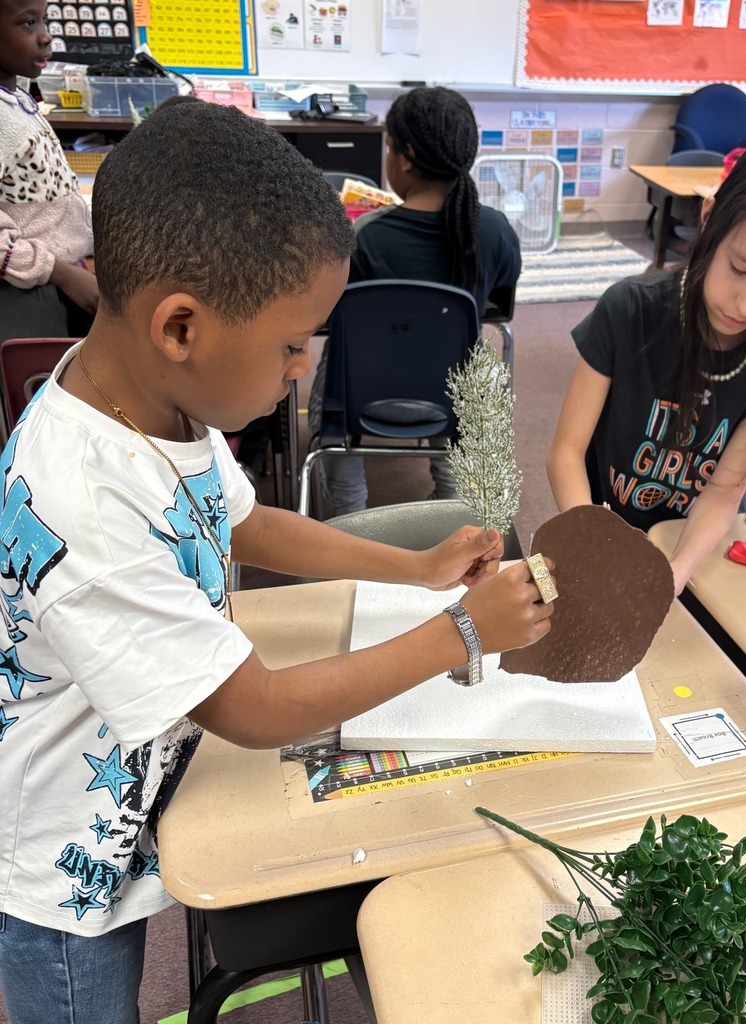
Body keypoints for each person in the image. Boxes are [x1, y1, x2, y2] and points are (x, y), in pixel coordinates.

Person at [0, 98, 553, 1024]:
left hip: (133, 791)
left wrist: (412, 572)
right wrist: (460, 631)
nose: (303, 368)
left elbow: (247, 523)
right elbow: (253, 709)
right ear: (182, 327)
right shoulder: (81, 497)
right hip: (64, 868)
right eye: (292, 344)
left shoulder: (158, 400)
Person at [546, 132, 746, 596]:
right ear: (710, 217)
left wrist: (673, 577)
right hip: (602, 522)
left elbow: (723, 493)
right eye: (740, 269)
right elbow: (566, 453)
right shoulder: (629, 311)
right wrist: (592, 544)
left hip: (700, 544)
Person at [307, 85, 522, 515]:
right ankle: (449, 504)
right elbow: (497, 304)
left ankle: (351, 519)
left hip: (359, 393)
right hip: (451, 392)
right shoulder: (496, 232)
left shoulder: (365, 235)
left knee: (335, 365)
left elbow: (327, 311)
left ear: (405, 156)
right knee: (472, 354)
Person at [0, 0, 97, 343]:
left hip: (57, 276)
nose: (45, 36)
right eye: (28, 23)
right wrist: (65, 276)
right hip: (26, 292)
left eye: (44, 20)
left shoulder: (15, 98)